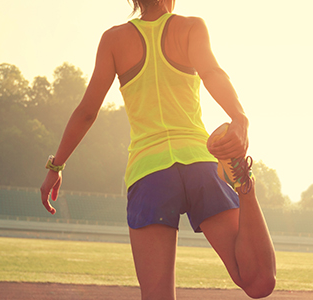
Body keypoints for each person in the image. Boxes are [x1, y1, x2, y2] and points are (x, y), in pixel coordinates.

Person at [38, 0, 276, 299]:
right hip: (199, 162)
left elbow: (87, 111)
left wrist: (56, 167)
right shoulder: (191, 27)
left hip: (149, 172)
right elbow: (212, 73)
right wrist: (239, 118)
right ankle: (245, 185)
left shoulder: (113, 40)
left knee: (157, 296)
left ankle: (243, 185)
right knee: (258, 281)